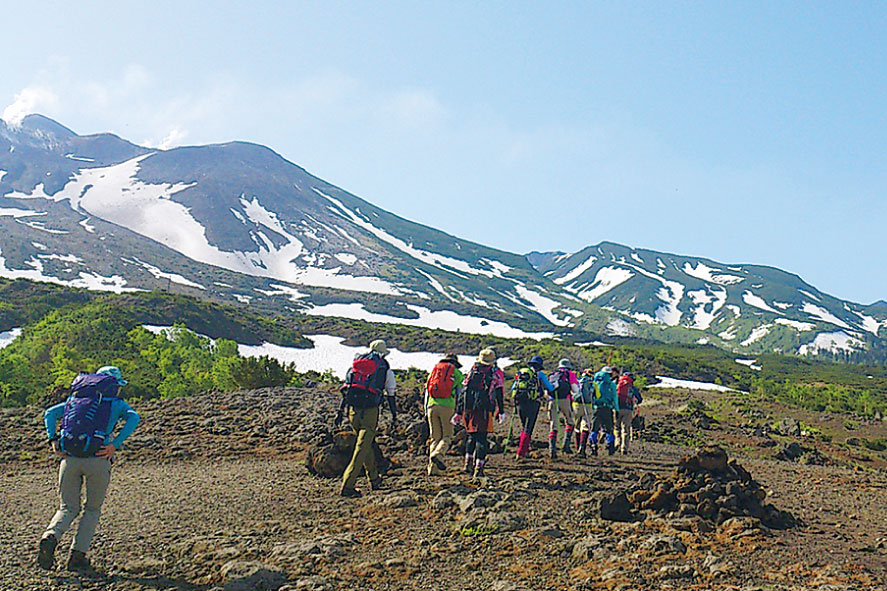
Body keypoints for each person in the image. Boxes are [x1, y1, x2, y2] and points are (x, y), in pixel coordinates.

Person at [37, 366, 140, 572]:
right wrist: (115, 444)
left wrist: (53, 440)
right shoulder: (117, 404)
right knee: (91, 509)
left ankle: (50, 536)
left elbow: (49, 414)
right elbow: (134, 418)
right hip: (98, 459)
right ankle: (77, 556)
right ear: (115, 386)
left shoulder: (74, 401)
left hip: (70, 459)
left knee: (67, 507)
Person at [336, 339, 398, 498]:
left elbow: (347, 388)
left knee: (366, 444)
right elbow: (391, 393)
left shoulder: (356, 366)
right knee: (361, 448)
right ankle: (347, 485)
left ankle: (374, 479)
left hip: (353, 411)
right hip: (370, 411)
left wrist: (340, 412)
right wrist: (394, 415)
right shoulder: (384, 368)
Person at [454, 348, 505, 479]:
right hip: (484, 410)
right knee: (482, 438)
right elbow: (499, 393)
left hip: (469, 409)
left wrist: (459, 411)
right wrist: (501, 411)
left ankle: (467, 464)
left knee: (471, 436)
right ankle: (479, 468)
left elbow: (463, 392)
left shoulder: (472, 372)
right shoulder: (494, 374)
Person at [425, 353, 463, 475]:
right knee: (447, 436)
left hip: (431, 405)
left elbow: (427, 391)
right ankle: (438, 454)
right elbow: (460, 394)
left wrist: (426, 408)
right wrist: (459, 411)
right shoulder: (457, 374)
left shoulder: (434, 371)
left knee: (435, 438)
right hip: (447, 406)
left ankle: (432, 469)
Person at [511, 355, 554, 460]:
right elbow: (550, 388)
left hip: (519, 402)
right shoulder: (540, 375)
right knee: (528, 428)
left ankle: (523, 450)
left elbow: (513, 387)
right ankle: (521, 452)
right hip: (533, 403)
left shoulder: (521, 372)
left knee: (523, 426)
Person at [548, 358, 579, 458]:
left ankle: (552, 450)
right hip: (565, 400)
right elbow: (575, 390)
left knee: (554, 424)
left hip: (552, 400)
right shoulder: (570, 374)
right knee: (570, 422)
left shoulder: (553, 374)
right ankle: (566, 445)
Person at [591, 366, 620, 456]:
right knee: (609, 429)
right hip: (607, 408)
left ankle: (593, 445)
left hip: (597, 408)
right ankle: (610, 446)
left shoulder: (595, 382)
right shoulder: (611, 384)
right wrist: (617, 409)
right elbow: (615, 398)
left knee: (594, 429)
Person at [615, 370, 643, 454]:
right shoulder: (632, 387)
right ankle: (624, 448)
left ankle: (617, 443)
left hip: (617, 408)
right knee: (626, 429)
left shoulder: (618, 384)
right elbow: (640, 399)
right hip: (628, 409)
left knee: (617, 427)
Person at [572, 369, 597, 457]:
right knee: (585, 426)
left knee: (577, 427)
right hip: (588, 406)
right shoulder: (593, 384)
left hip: (576, 405)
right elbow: (598, 396)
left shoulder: (577, 381)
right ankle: (582, 449)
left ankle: (577, 447)